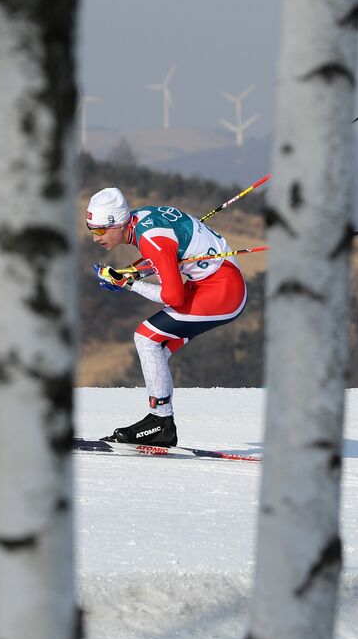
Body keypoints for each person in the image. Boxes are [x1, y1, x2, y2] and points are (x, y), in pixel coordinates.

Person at [85, 187, 247, 446]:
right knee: (156, 347)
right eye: (91, 229)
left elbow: (174, 297)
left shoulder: (151, 239)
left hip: (223, 293)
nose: (95, 238)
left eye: (100, 230)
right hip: (210, 284)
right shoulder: (139, 219)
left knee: (147, 338)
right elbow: (164, 259)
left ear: (117, 224)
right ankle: (160, 422)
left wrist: (128, 283)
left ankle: (161, 422)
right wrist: (131, 273)